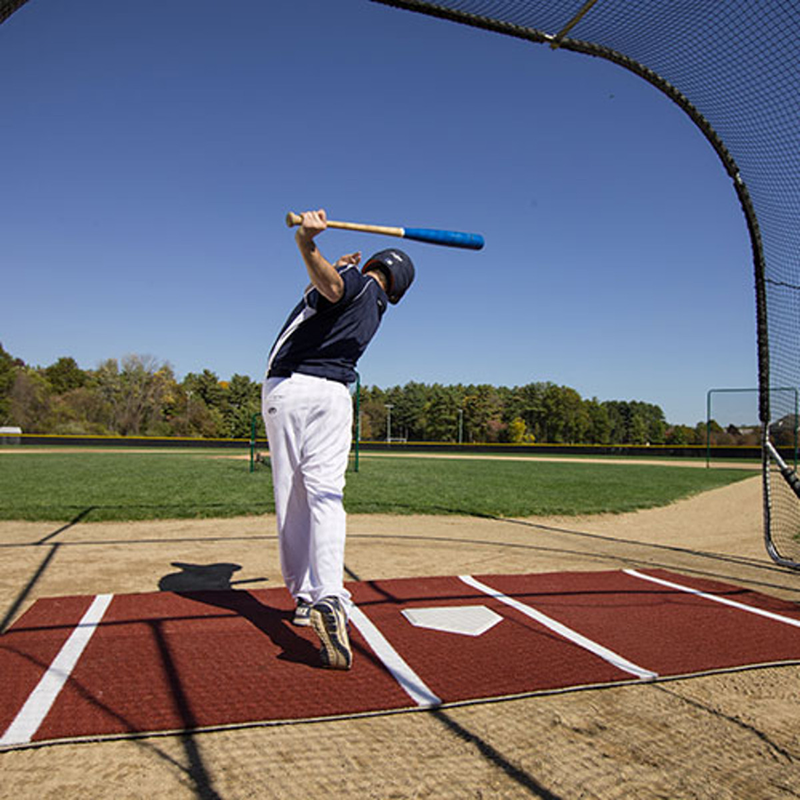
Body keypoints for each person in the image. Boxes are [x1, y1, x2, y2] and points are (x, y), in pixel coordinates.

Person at [262, 208, 415, 670]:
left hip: (293, 388)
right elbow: (325, 292)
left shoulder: (358, 284)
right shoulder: (372, 303)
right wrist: (333, 267)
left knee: (293, 501)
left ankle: (307, 599)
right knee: (328, 498)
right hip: (335, 397)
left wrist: (308, 244)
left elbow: (331, 287)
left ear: (372, 269)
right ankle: (330, 592)